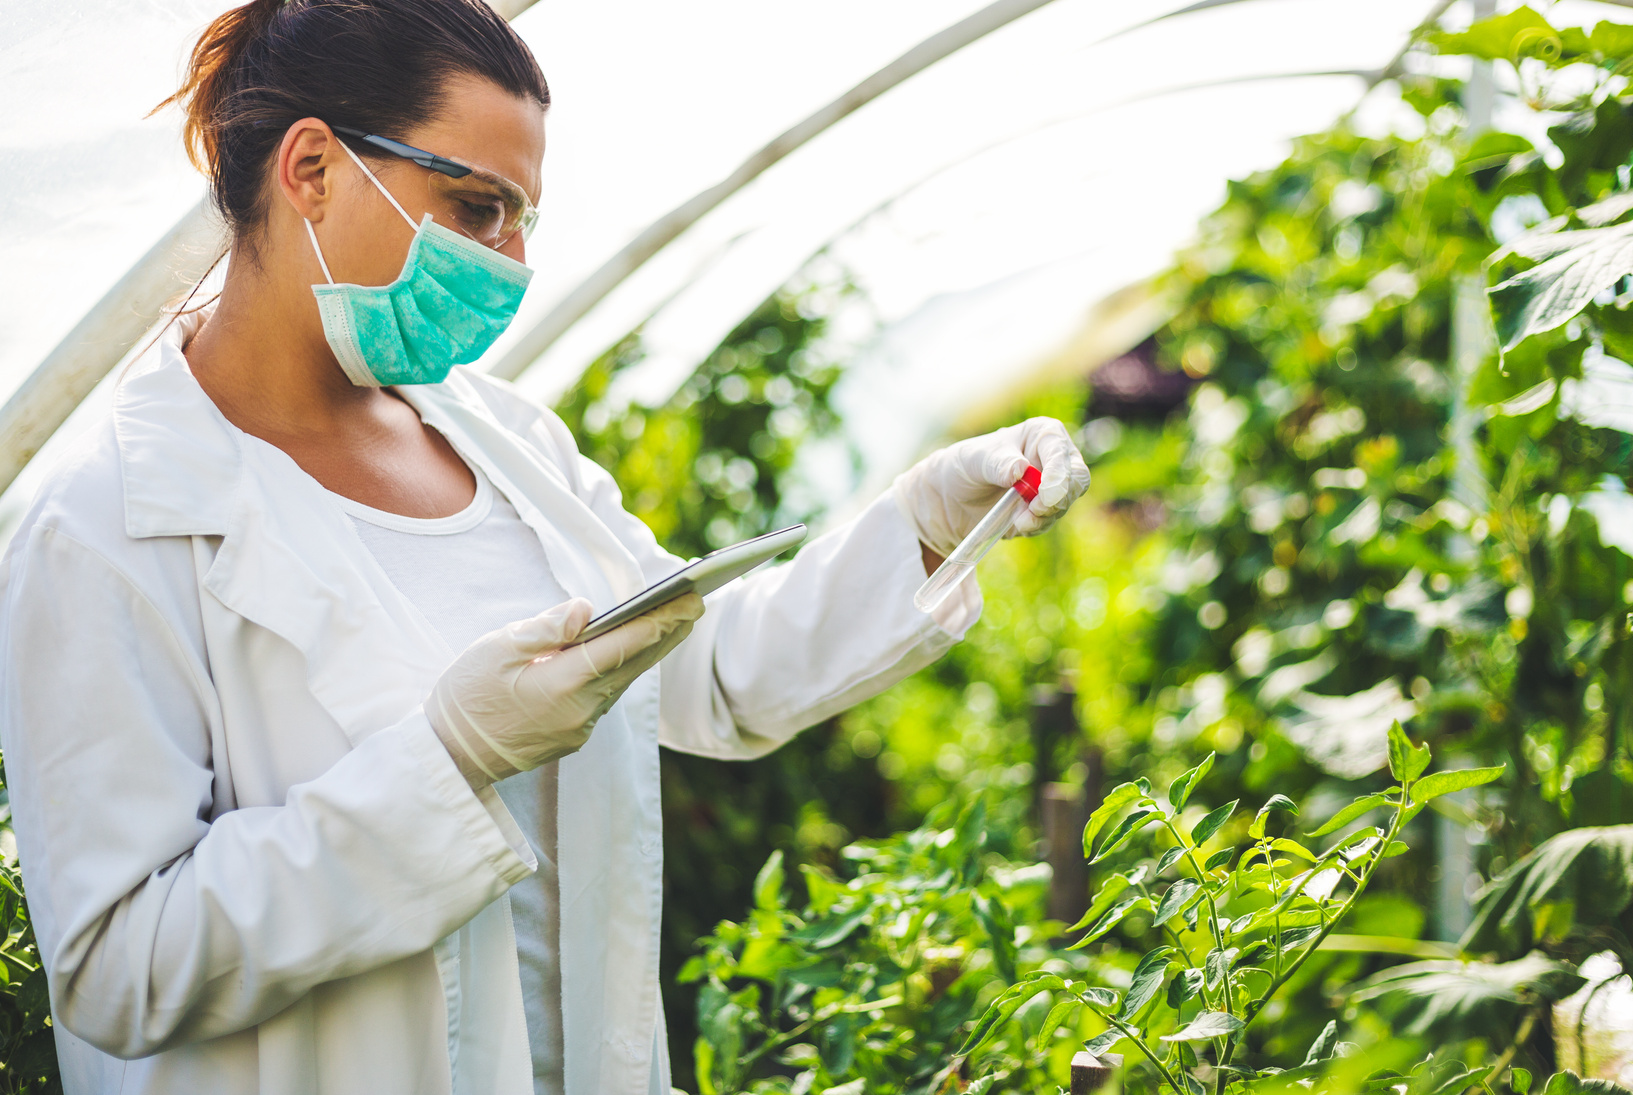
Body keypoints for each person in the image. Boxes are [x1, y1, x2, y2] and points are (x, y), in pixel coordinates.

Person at [0, 1, 1091, 1093]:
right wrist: (448, 761)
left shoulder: (500, 438)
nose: (512, 262)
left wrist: (924, 527)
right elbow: (120, 969)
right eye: (476, 208)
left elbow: (696, 668)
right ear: (314, 168)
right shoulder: (107, 526)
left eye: (523, 219)